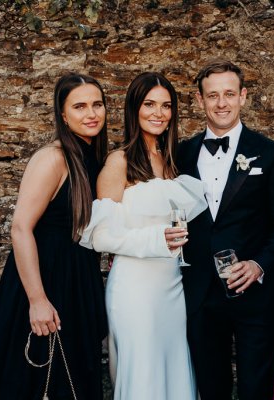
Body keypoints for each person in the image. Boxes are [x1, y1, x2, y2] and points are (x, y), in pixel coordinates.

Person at [0, 73, 109, 399]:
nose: (91, 113)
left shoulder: (92, 157)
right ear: (63, 115)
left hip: (78, 277)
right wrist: (37, 300)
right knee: (36, 379)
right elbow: (20, 227)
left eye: (97, 104)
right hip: (46, 277)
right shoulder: (53, 158)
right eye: (79, 106)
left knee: (73, 375)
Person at [79, 72, 206, 400]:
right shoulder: (118, 161)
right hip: (134, 290)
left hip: (172, 287)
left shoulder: (170, 161)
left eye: (166, 106)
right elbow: (101, 236)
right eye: (149, 104)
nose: (158, 113)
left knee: (173, 373)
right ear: (134, 108)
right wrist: (155, 239)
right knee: (143, 379)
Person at [176, 60, 274, 400]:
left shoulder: (271, 153)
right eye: (212, 95)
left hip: (255, 294)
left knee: (256, 388)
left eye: (229, 94)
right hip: (199, 294)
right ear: (199, 101)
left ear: (243, 97)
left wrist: (258, 264)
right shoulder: (181, 153)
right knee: (209, 386)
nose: (221, 103)